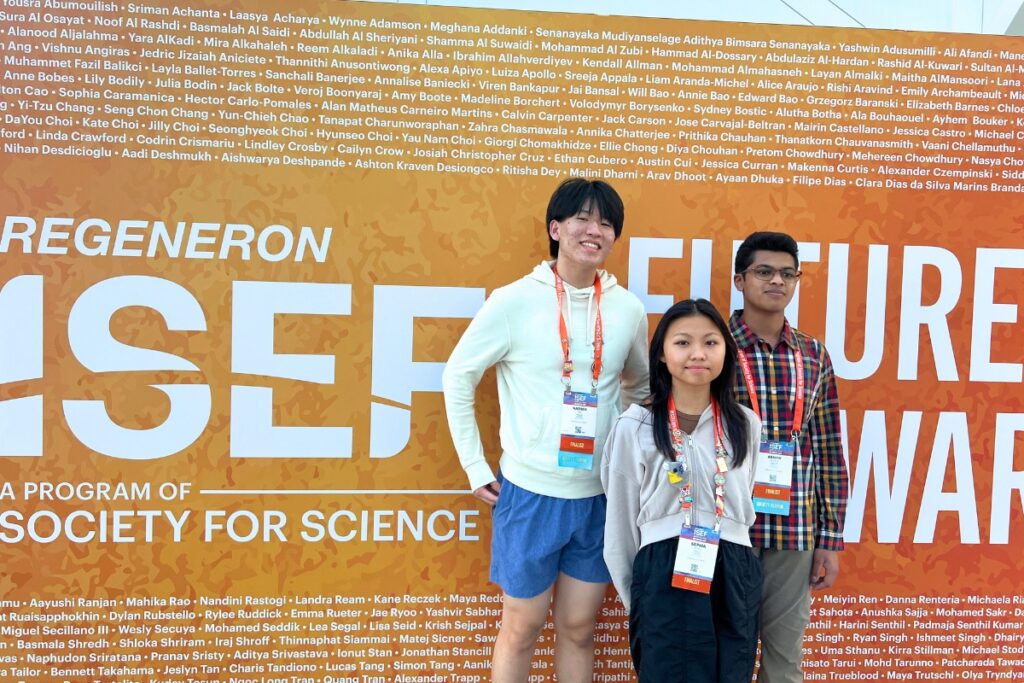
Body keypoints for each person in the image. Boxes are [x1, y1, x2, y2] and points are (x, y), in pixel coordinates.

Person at [441, 177, 648, 682]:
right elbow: (458, 374)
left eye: (605, 223)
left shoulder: (628, 310)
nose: (593, 230)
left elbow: (640, 388)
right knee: (522, 626)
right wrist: (473, 465)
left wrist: (622, 458)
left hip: (598, 497)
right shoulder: (512, 301)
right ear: (555, 228)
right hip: (530, 493)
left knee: (579, 628)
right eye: (581, 218)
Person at [602, 298, 762, 682]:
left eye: (710, 343)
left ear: (726, 350)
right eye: (682, 342)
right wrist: (640, 597)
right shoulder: (636, 425)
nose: (697, 354)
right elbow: (621, 526)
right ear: (660, 354)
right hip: (663, 570)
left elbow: (745, 503)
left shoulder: (745, 423)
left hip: (733, 571)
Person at [730, 231, 849, 683]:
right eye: (764, 271)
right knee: (724, 650)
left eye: (787, 273)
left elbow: (829, 448)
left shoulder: (813, 353)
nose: (776, 280)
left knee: (784, 661)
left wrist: (830, 536)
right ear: (740, 280)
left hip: (794, 528)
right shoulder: (713, 345)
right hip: (727, 525)